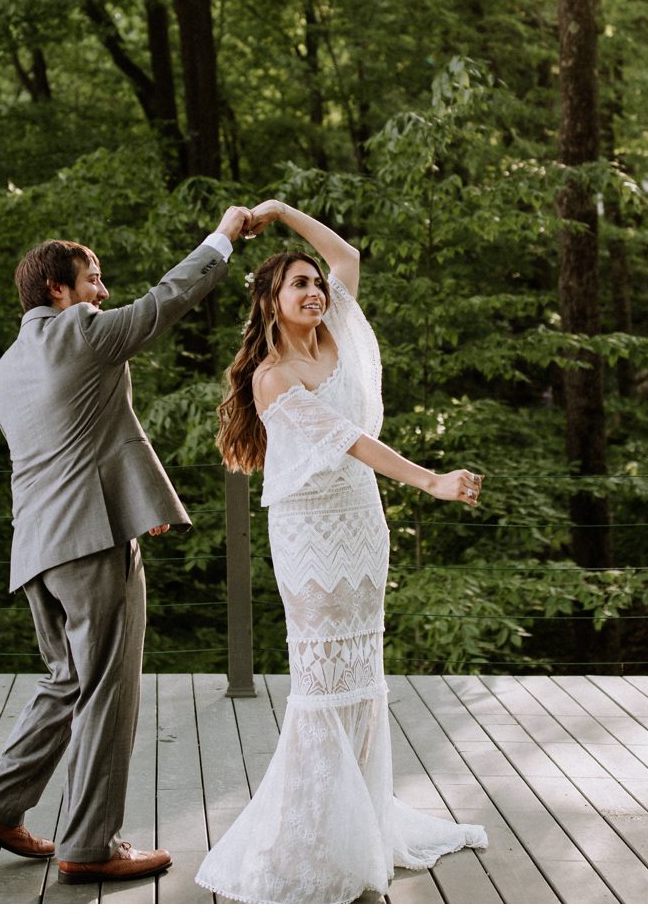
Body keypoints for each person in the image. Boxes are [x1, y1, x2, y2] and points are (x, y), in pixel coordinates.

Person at [195, 199, 488, 905]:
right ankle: (315, 845)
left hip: (361, 518)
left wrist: (281, 212)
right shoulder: (272, 376)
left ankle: (362, 828)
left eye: (313, 283)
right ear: (271, 301)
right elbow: (346, 440)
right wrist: (429, 480)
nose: (315, 290)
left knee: (365, 677)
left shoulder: (338, 335)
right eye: (298, 283)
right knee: (324, 683)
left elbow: (347, 258)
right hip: (308, 529)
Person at [0, 206, 250, 886]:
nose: (104, 292)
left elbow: (85, 440)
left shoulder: (9, 367)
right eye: (94, 279)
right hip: (89, 545)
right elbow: (164, 303)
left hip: (36, 548)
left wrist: (138, 501)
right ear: (58, 289)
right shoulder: (80, 333)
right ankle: (89, 845)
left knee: (67, 680)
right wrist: (223, 237)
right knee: (107, 689)